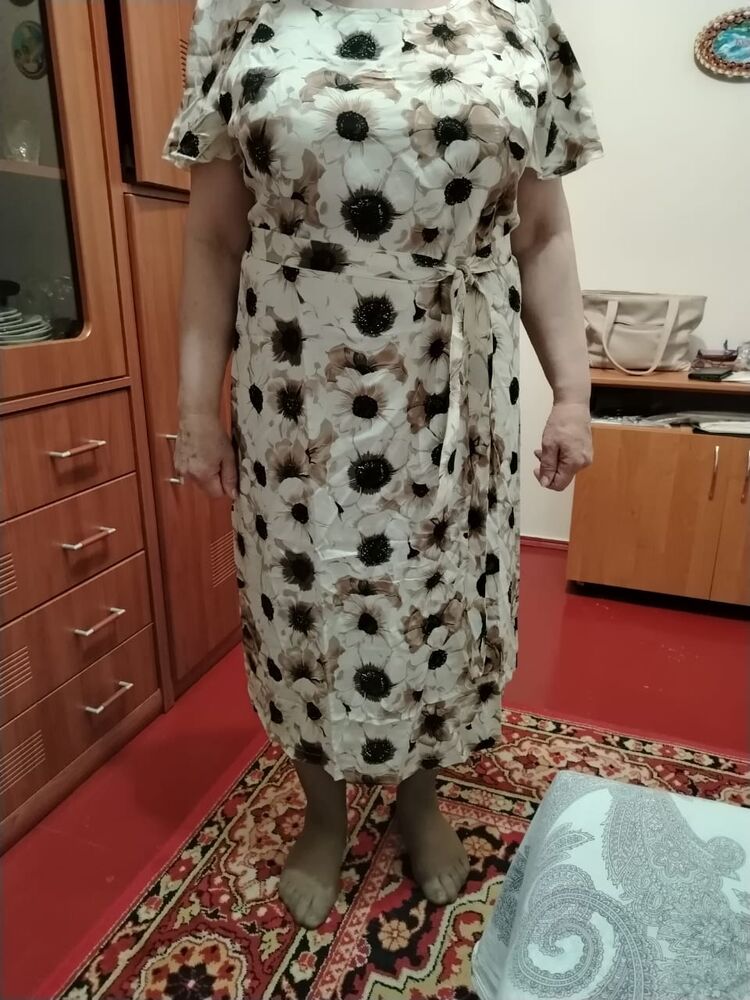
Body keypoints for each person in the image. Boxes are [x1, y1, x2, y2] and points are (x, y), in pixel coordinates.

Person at [166, 0, 601, 929]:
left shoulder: (517, 18)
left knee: (439, 590)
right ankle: (324, 814)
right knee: (306, 595)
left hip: (457, 382)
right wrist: (195, 407)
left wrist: (573, 392)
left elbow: (541, 232)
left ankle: (420, 796)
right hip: (296, 386)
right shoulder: (238, 16)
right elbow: (212, 235)